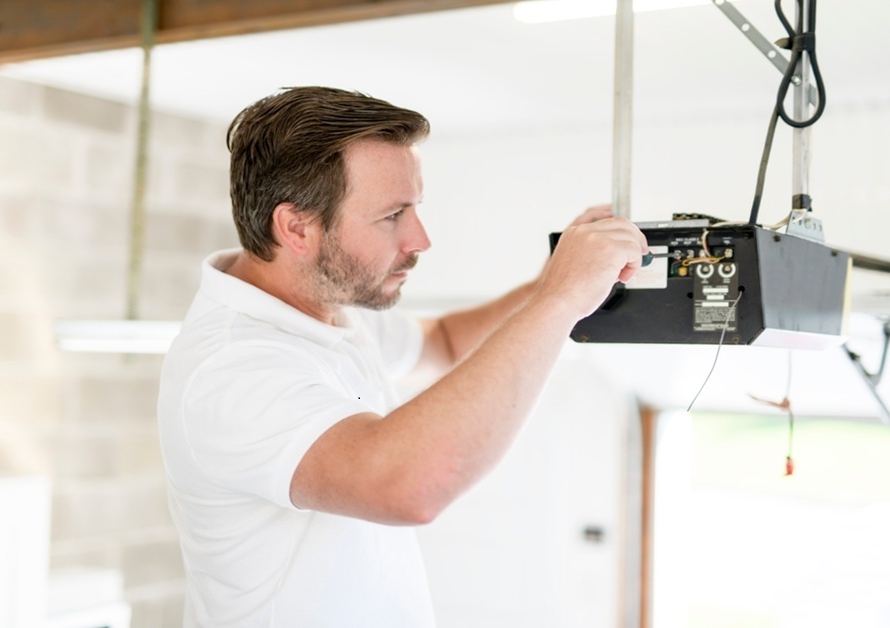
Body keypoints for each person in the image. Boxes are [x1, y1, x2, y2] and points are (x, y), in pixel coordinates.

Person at [157, 86, 648, 627]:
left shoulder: (326, 308)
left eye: (415, 208)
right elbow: (409, 487)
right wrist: (561, 300)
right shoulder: (233, 367)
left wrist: (549, 282)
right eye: (393, 214)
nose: (420, 239)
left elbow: (442, 344)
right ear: (296, 227)